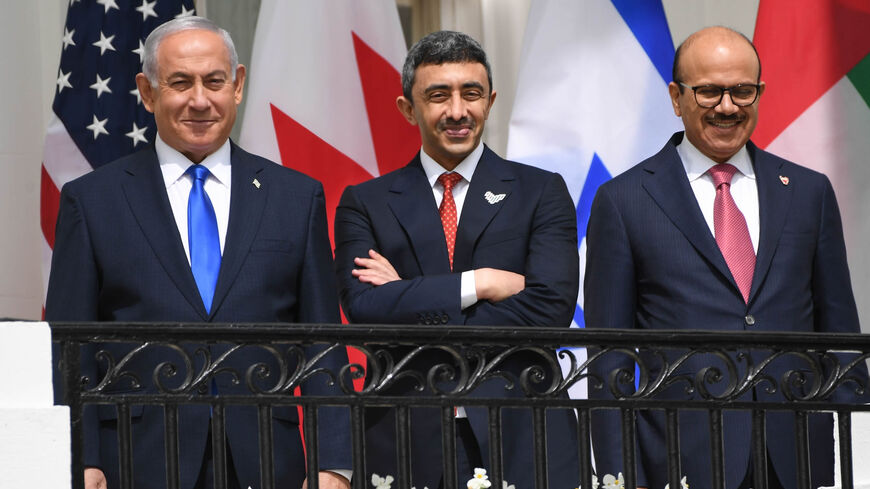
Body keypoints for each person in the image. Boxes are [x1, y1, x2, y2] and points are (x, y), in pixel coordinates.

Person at [46, 17, 350, 489]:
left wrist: (335, 462)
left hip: (266, 459)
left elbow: (322, 341)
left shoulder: (295, 197)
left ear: (238, 85)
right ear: (147, 92)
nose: (200, 100)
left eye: (214, 81)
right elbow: (69, 346)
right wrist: (80, 457)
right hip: (136, 460)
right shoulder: (92, 201)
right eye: (180, 83)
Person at [585, 26, 864, 489]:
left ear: (760, 93)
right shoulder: (623, 200)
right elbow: (608, 359)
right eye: (709, 91)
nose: (728, 106)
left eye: (742, 90)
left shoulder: (809, 192)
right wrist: (619, 474)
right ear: (676, 97)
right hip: (680, 457)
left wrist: (850, 430)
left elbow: (840, 332)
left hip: (794, 455)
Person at [333, 30, 580, 489]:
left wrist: (405, 295)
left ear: (490, 100)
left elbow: (551, 309)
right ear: (408, 108)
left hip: (524, 433)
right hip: (405, 437)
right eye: (438, 95)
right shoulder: (365, 202)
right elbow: (364, 309)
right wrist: (480, 282)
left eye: (472, 94)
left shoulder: (541, 192)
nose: (457, 112)